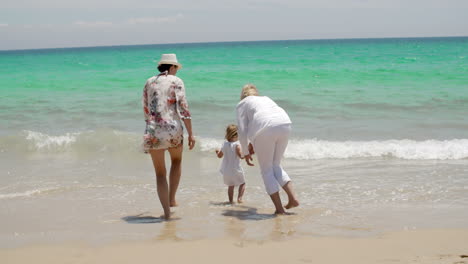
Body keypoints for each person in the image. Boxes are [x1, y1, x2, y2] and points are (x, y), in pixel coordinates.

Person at [142, 53, 195, 219]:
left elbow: (145, 108)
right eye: (176, 68)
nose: (177, 71)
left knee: (159, 174)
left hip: (153, 130)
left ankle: (166, 213)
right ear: (171, 67)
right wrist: (191, 133)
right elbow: (183, 108)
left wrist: (151, 128)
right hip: (173, 129)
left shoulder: (149, 82)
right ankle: (172, 199)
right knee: (177, 161)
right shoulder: (176, 81)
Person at [236, 84, 299, 214]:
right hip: (285, 123)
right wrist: (253, 144)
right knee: (276, 165)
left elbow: (242, 130)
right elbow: (263, 120)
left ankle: (279, 209)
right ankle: (293, 199)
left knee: (266, 170)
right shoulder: (265, 98)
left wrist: (246, 152)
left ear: (243, 95)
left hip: (265, 128)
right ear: (255, 93)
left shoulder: (242, 103)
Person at [215, 124, 246, 204]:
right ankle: (239, 198)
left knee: (230, 186)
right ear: (236, 135)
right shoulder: (237, 145)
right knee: (242, 183)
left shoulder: (224, 144)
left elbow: (219, 156)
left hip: (227, 170)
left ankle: (231, 201)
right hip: (236, 169)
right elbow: (241, 156)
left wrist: (217, 152)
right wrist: (246, 153)